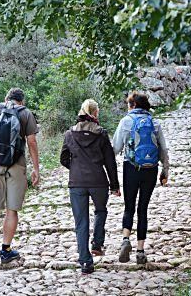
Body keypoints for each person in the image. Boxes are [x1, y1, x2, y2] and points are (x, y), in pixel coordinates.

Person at [0, 88, 40, 266]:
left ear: (6, 98)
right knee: (12, 210)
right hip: (16, 166)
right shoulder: (25, 113)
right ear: (22, 101)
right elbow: (32, 142)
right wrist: (36, 169)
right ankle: (6, 251)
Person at [60, 99, 121, 274]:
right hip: (98, 181)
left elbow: (63, 158)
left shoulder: (69, 134)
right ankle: (97, 243)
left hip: (76, 183)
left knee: (81, 222)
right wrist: (114, 185)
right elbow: (110, 162)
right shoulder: (101, 134)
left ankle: (86, 262)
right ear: (95, 113)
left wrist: (76, 168)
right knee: (101, 211)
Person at [112, 92, 169, 264]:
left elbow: (115, 147)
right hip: (150, 170)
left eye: (129, 104)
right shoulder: (155, 123)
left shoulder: (126, 121)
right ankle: (140, 251)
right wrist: (165, 171)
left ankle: (125, 240)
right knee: (142, 208)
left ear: (134, 105)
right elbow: (163, 150)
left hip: (131, 167)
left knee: (129, 207)